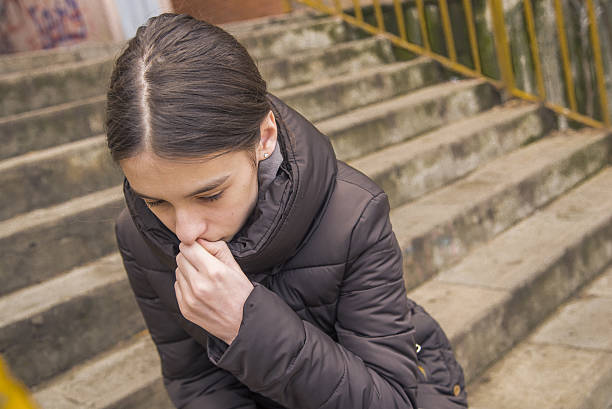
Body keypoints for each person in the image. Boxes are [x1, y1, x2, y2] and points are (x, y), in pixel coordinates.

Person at [106, 13, 468, 409]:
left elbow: (391, 399)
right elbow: (195, 382)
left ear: (265, 137)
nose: (186, 232)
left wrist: (247, 325)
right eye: (156, 202)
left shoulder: (354, 214)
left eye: (210, 195)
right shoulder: (137, 236)